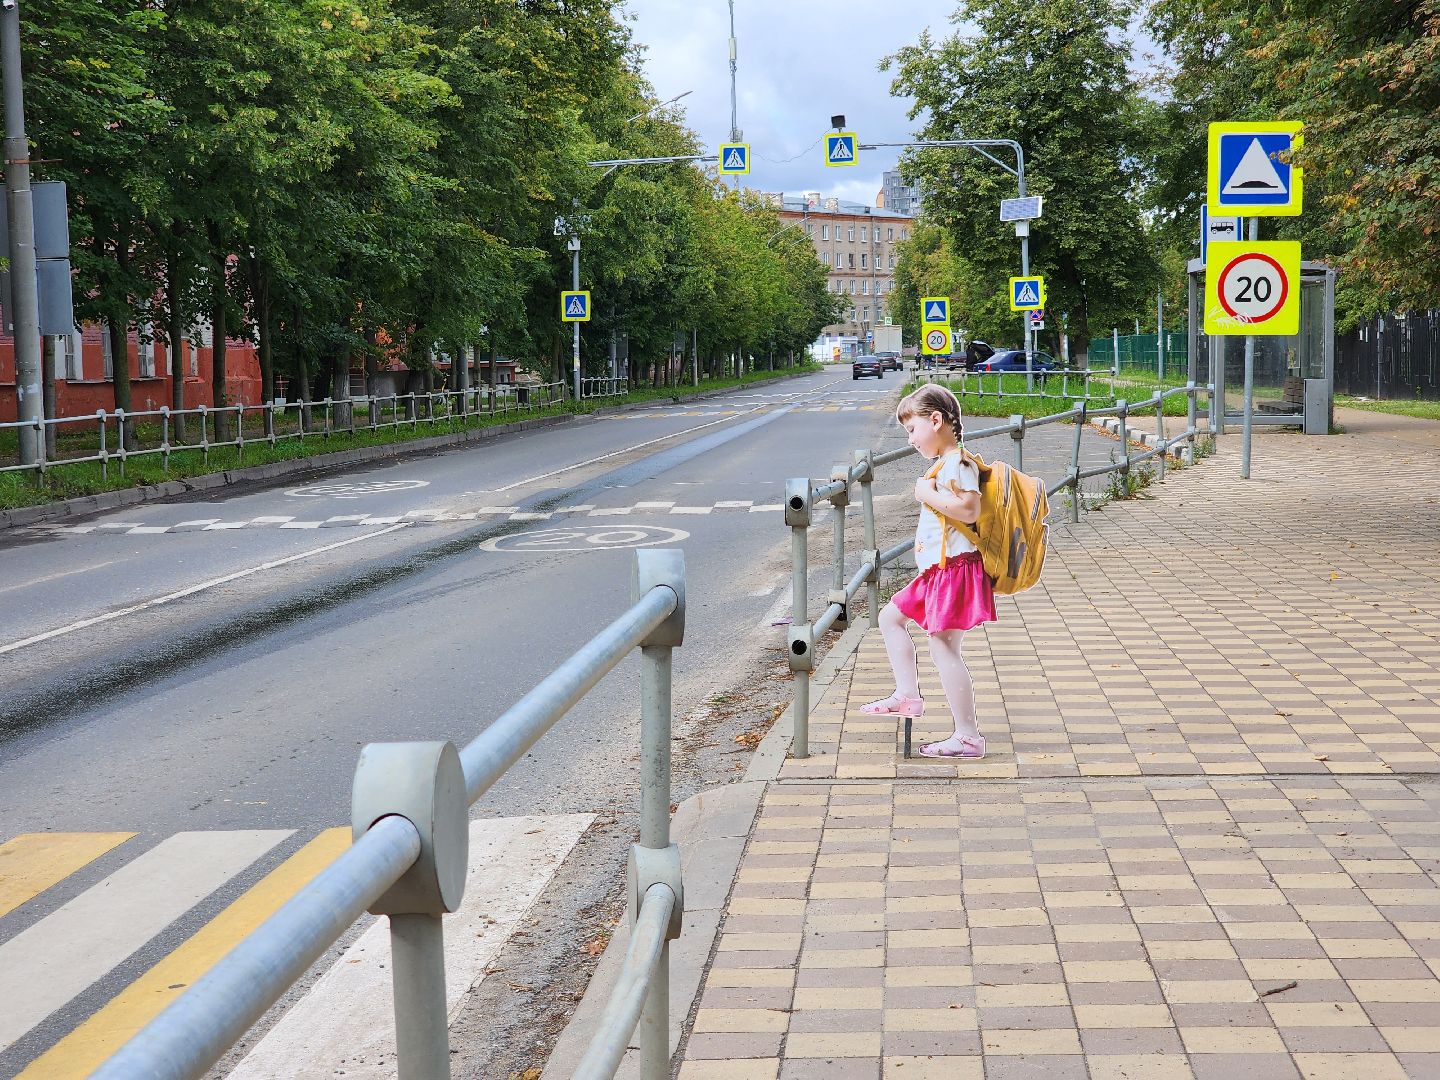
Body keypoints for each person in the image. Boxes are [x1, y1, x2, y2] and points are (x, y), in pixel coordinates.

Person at [859, 384, 996, 758]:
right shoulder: (946, 464)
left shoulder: (959, 464)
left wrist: (925, 493)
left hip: (954, 570)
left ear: (936, 420)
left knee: (943, 647)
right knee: (890, 618)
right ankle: (907, 695)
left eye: (912, 429)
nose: (910, 439)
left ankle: (968, 737)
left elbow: (969, 510)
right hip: (939, 571)